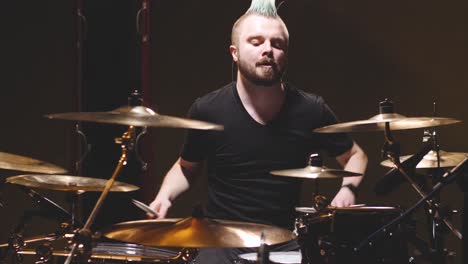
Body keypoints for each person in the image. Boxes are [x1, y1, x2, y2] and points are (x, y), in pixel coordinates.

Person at [149, 0, 368, 263]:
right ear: (234, 52)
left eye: (277, 44)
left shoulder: (311, 110)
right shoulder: (208, 109)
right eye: (256, 42)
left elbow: (355, 156)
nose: (268, 50)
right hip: (220, 241)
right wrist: (164, 196)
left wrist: (348, 190)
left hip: (283, 241)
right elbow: (187, 167)